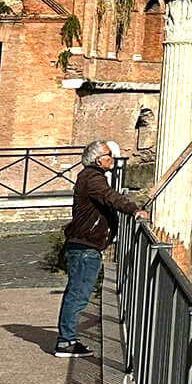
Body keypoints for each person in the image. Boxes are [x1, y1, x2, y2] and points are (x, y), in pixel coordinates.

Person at [56, 139, 146, 357]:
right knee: (78, 295)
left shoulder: (89, 177)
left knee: (74, 293)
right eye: (108, 155)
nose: (112, 159)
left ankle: (66, 339)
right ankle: (65, 342)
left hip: (83, 245)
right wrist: (134, 209)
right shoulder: (93, 179)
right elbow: (110, 197)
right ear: (99, 160)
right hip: (85, 248)